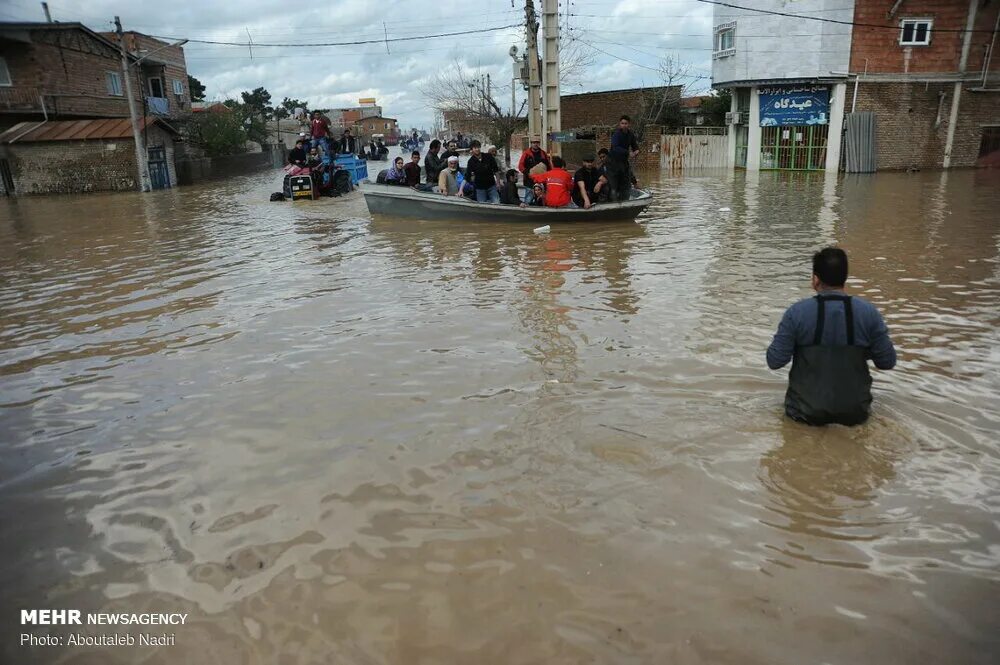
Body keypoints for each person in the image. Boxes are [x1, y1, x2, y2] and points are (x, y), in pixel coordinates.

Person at [767, 247, 897, 426]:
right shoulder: (869, 313)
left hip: (804, 414)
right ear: (845, 278)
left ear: (815, 279)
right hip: (855, 415)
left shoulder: (796, 313)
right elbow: (887, 362)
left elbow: (774, 361)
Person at [607, 115, 639, 201]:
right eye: (622, 123)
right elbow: (615, 147)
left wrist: (636, 151)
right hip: (613, 162)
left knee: (626, 183)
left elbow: (634, 145)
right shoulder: (616, 134)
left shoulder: (630, 134)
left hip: (623, 162)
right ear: (619, 124)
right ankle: (614, 203)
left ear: (629, 124)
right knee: (614, 185)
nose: (624, 125)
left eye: (626, 123)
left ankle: (625, 201)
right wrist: (628, 153)